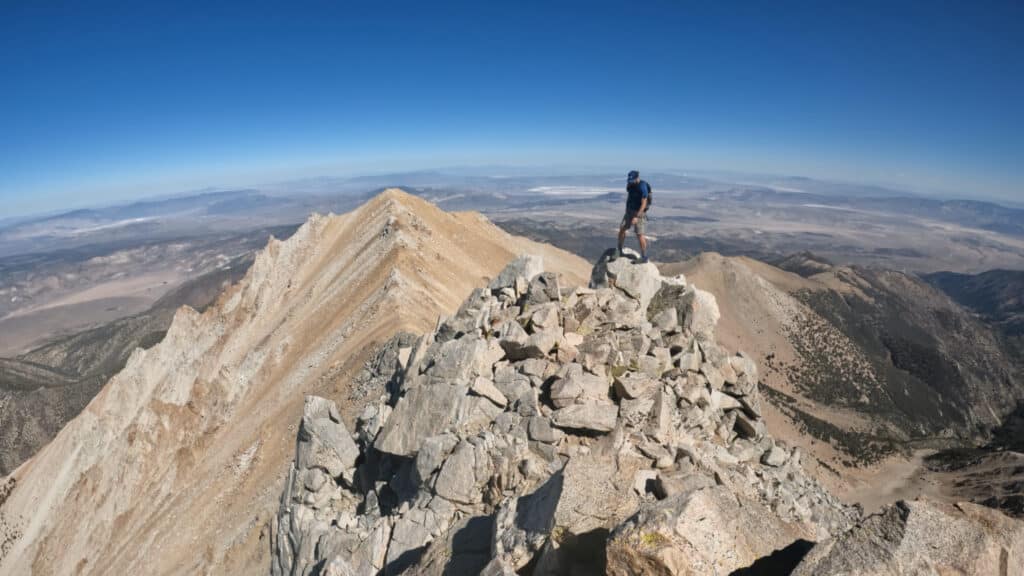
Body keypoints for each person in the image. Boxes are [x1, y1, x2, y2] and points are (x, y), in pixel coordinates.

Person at [616, 170, 650, 263]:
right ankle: (619, 249)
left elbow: (644, 203)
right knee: (622, 228)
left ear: (637, 178)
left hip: (638, 213)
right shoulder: (631, 184)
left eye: (632, 180)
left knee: (640, 234)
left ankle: (644, 257)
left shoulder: (642, 186)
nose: (630, 181)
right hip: (629, 211)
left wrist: (637, 216)